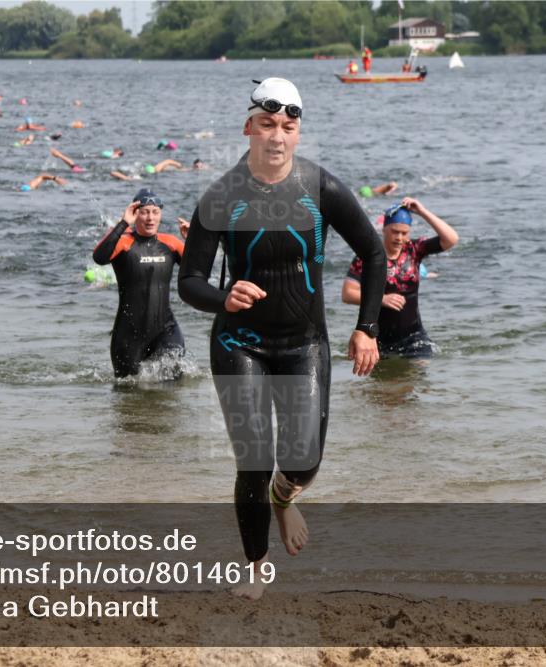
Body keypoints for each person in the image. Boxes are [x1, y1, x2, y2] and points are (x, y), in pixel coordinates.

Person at [178, 77, 385, 600]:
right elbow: (190, 281)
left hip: (303, 343)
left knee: (303, 461)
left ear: (298, 133)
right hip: (238, 343)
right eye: (267, 124)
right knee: (252, 457)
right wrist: (222, 298)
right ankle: (256, 569)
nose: (276, 136)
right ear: (248, 127)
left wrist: (366, 327)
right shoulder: (222, 195)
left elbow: (375, 254)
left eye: (288, 127)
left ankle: (284, 496)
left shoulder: (321, 189)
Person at [342, 197, 458, 359]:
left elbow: (451, 239)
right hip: (379, 339)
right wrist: (382, 299)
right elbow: (347, 294)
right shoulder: (369, 257)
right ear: (384, 229)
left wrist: (422, 212)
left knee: (420, 373)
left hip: (414, 337)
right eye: (395, 231)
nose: (399, 237)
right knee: (383, 384)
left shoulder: (414, 250)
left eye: (404, 233)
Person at [92, 188, 186, 378]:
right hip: (129, 333)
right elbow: (100, 257)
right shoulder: (124, 242)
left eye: (155, 212)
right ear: (135, 214)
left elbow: (199, 269)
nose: (150, 218)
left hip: (165, 328)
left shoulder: (171, 243)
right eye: (144, 212)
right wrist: (123, 223)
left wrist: (193, 241)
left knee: (174, 381)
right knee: (128, 391)